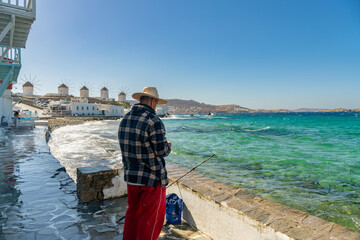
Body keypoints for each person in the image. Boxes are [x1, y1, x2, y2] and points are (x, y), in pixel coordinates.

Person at [118, 87, 171, 240]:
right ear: (153, 101)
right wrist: (169, 145)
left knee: (133, 214)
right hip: (152, 179)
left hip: (132, 178)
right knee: (150, 220)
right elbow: (162, 151)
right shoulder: (153, 121)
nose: (156, 105)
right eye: (156, 102)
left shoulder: (125, 119)